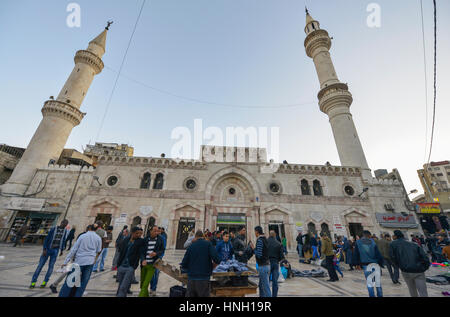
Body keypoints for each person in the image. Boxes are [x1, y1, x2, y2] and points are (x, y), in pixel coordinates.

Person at [58, 224, 102, 297]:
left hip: (79, 261)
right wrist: (95, 260)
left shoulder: (82, 236)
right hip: (90, 262)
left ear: (89, 228)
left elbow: (74, 249)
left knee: (70, 281)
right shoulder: (98, 238)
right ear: (96, 229)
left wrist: (66, 261)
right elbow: (98, 250)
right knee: (83, 282)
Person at [389, 230, 430, 297]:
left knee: (412, 290)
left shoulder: (393, 244)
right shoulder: (414, 244)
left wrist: (400, 266)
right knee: (423, 292)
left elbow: (392, 257)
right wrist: (424, 267)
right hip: (418, 270)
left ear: (395, 236)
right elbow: (425, 258)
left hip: (405, 270)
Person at [29, 219, 69, 289]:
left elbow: (63, 240)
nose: (65, 225)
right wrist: (44, 249)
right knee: (40, 266)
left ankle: (45, 282)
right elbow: (47, 239)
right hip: (47, 249)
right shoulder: (53, 229)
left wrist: (62, 250)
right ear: (61, 223)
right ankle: (33, 282)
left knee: (51, 267)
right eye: (64, 224)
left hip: (55, 250)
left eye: (66, 224)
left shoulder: (65, 231)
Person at [181, 230, 221, 297]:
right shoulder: (208, 244)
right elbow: (217, 259)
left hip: (192, 279)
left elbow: (184, 264)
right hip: (204, 278)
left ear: (195, 237)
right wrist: (212, 267)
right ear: (203, 236)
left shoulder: (191, 246)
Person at [353, 231, 384, 297]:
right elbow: (378, 254)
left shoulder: (358, 242)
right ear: (369, 235)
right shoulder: (373, 242)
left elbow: (356, 254)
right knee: (378, 283)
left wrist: (357, 264)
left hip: (366, 265)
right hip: (375, 264)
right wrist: (381, 263)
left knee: (370, 284)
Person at [116, 227, 144, 297]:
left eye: (140, 233)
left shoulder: (140, 241)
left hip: (130, 266)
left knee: (124, 285)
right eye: (137, 233)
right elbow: (120, 250)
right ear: (132, 233)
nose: (138, 235)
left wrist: (143, 260)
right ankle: (121, 294)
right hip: (122, 265)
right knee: (121, 284)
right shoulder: (126, 240)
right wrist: (118, 264)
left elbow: (141, 252)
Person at [139, 225, 165, 297]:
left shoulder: (160, 239)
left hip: (153, 265)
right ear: (150, 231)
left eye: (157, 231)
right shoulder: (145, 239)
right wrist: (143, 259)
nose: (156, 232)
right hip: (144, 264)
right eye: (155, 231)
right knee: (142, 284)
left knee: (145, 284)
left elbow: (162, 250)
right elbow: (141, 251)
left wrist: (156, 253)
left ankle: (152, 289)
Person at [252, 226, 271, 297]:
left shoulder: (260, 240)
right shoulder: (265, 239)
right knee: (261, 286)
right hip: (267, 264)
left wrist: (253, 249)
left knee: (266, 287)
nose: (254, 233)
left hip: (263, 266)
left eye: (255, 232)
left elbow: (259, 254)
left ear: (257, 232)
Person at [150, 227, 167, 296]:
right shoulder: (149, 238)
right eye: (156, 231)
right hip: (150, 259)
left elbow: (163, 249)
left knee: (156, 274)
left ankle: (154, 289)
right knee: (151, 275)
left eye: (159, 231)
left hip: (158, 259)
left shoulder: (162, 238)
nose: (157, 232)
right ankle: (151, 288)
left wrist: (160, 257)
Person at [267, 230, 284, 297]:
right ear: (275, 235)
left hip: (267, 263)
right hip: (275, 263)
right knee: (275, 281)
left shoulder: (266, 242)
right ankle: (274, 296)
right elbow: (282, 256)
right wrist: (277, 260)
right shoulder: (279, 244)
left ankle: (267, 295)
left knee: (267, 281)